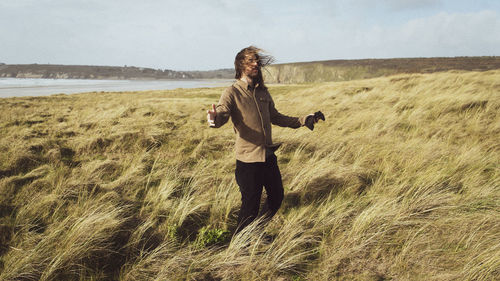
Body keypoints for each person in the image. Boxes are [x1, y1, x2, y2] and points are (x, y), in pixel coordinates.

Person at [207, 46, 321, 233]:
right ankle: (239, 246)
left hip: (268, 157)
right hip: (248, 161)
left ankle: (255, 233)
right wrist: (214, 119)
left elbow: (275, 117)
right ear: (241, 64)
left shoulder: (263, 93)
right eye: (251, 60)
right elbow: (221, 113)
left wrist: (303, 120)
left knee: (276, 197)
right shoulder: (232, 92)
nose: (256, 64)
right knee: (250, 207)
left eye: (257, 60)